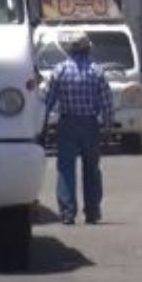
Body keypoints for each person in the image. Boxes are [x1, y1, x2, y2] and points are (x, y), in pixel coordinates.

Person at [43, 31, 113, 225]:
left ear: (69, 50)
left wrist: (42, 126)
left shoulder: (60, 70)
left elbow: (47, 101)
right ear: (87, 48)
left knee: (65, 168)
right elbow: (107, 102)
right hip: (90, 123)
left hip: (67, 123)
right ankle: (92, 212)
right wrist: (108, 127)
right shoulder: (96, 71)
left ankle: (67, 212)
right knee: (92, 169)